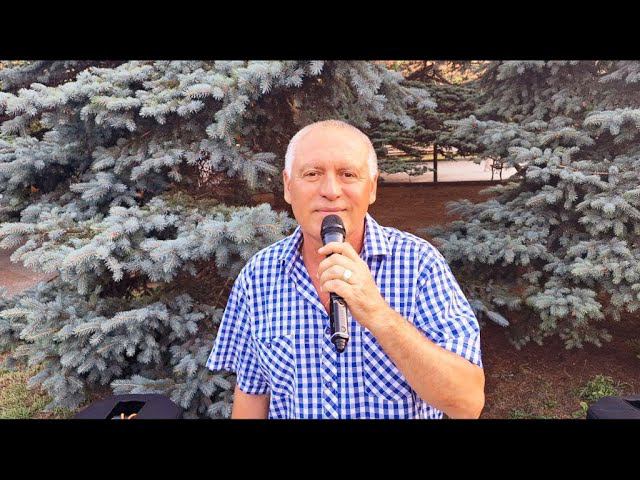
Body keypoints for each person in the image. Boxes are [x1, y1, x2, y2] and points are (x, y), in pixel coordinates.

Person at [206, 119, 485, 419]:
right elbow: (252, 394)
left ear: (372, 187)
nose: (330, 190)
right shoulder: (258, 276)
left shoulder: (419, 265)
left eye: (348, 174)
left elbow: (467, 403)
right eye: (312, 174)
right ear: (288, 186)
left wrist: (378, 314)